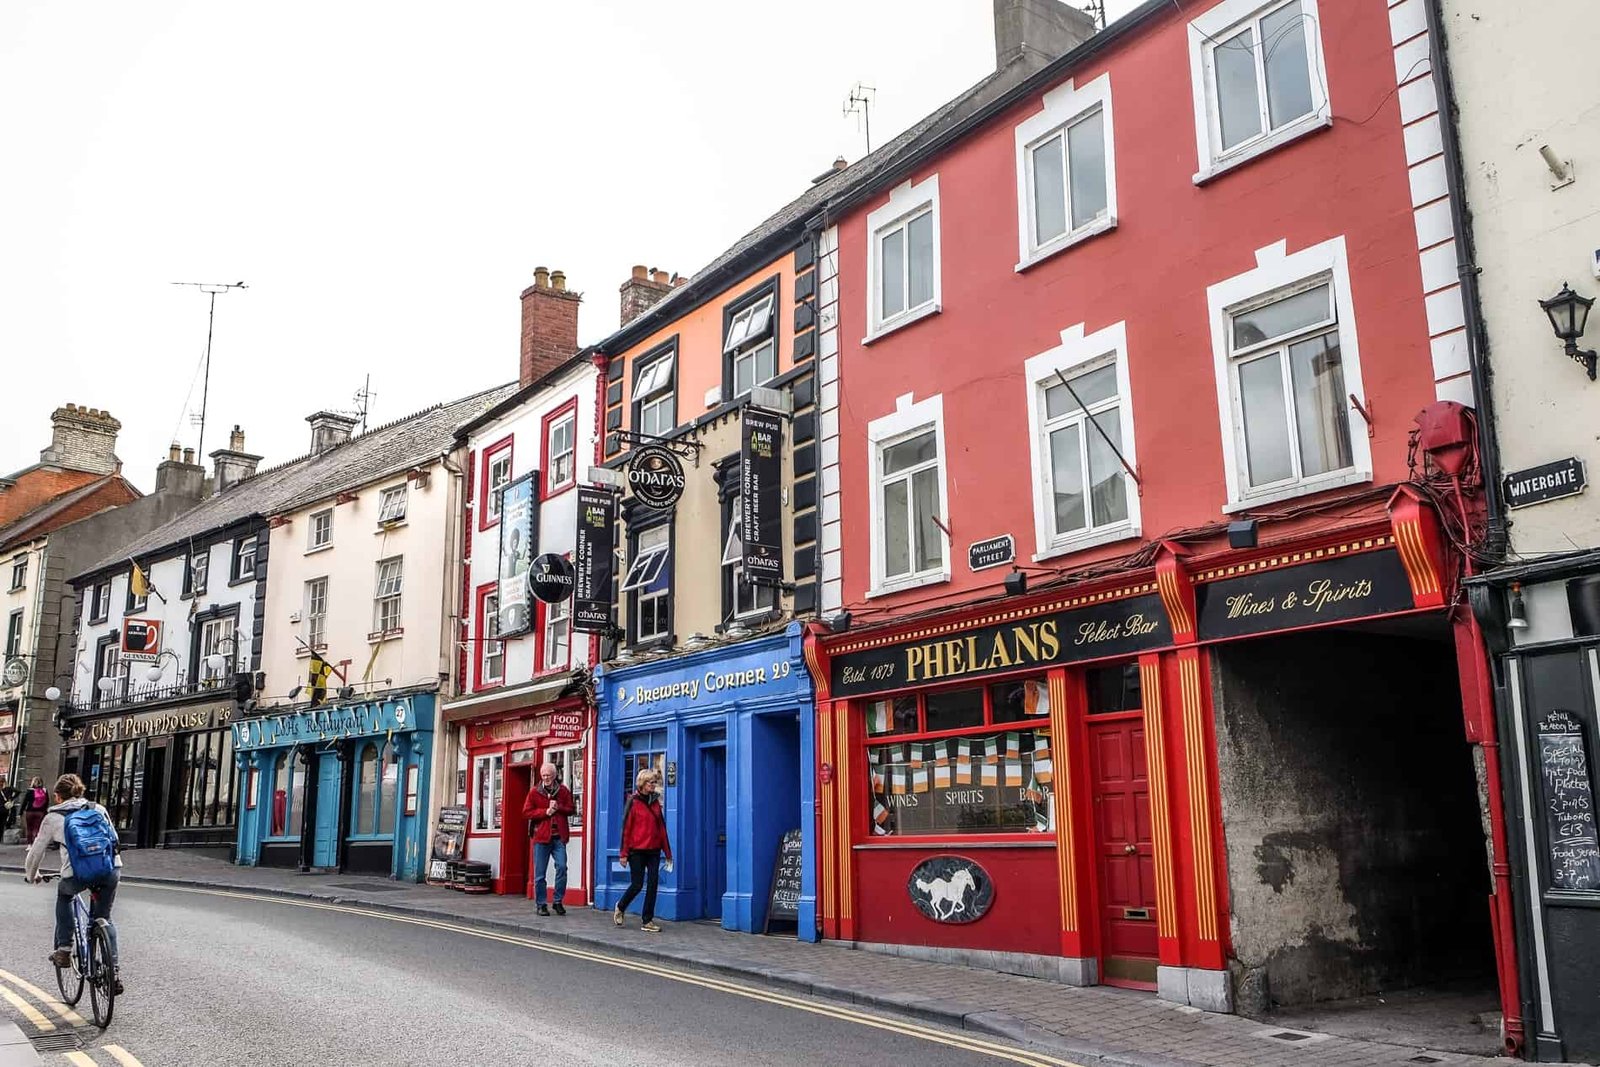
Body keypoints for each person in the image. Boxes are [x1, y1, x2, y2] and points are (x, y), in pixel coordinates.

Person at [23, 774, 122, 991]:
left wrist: (32, 875)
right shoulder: (98, 809)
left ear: (57, 797)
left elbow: (36, 852)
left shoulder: (53, 817)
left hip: (76, 873)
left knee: (64, 895)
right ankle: (113, 972)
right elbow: (114, 839)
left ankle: (65, 949)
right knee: (104, 918)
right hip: (110, 868)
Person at [614, 767, 671, 933]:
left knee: (653, 884)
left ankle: (647, 920)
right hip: (636, 851)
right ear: (642, 783)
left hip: (653, 850)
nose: (653, 785)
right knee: (637, 884)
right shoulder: (633, 801)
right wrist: (623, 854)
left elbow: (661, 828)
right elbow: (626, 829)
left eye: (654, 782)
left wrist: (668, 853)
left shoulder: (655, 803)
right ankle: (621, 906)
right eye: (650, 782)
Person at [522, 761, 575, 917]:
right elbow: (526, 813)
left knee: (562, 867)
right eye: (543, 775)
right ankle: (541, 905)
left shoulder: (563, 791)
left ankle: (558, 901)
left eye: (549, 775)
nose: (546, 778)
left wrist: (559, 807)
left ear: (554, 775)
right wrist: (545, 811)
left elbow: (571, 809)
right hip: (541, 837)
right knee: (540, 874)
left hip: (559, 837)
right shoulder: (534, 792)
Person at [21, 776, 50, 845]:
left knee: (29, 828)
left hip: (30, 811)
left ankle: (29, 844)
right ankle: (36, 843)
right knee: (37, 828)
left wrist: (21, 811)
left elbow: (25, 802)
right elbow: (47, 801)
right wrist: (45, 810)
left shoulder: (30, 791)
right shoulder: (44, 790)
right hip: (40, 812)